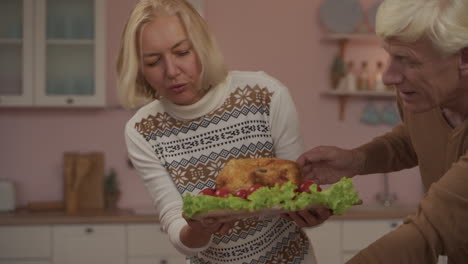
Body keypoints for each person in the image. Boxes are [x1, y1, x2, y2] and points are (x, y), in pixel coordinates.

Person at [116, 0, 329, 263]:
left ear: (202, 46)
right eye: (153, 61)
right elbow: (175, 223)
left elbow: (294, 190)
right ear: (138, 68)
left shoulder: (266, 95)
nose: (171, 71)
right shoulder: (142, 130)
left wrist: (310, 211)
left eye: (182, 52)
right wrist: (198, 230)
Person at [297, 0, 468, 263]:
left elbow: (426, 233)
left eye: (406, 60)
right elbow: (414, 138)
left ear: (464, 57)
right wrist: (357, 160)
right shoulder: (422, 99)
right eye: (390, 56)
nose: (388, 77)